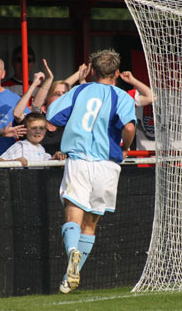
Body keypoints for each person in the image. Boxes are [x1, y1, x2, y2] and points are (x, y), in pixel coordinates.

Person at [46, 49, 136, 294]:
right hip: (107, 165)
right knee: (91, 223)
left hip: (79, 161)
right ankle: (69, 278)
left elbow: (52, 117)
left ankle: (72, 252)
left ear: (93, 71)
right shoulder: (123, 97)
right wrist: (126, 147)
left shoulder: (80, 91)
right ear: (116, 73)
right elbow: (128, 126)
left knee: (72, 216)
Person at [0, 112, 65, 166]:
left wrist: (56, 158)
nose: (38, 131)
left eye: (41, 128)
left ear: (45, 130)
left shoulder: (41, 149)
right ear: (25, 130)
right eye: (33, 128)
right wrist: (14, 162)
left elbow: (47, 166)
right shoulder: (20, 145)